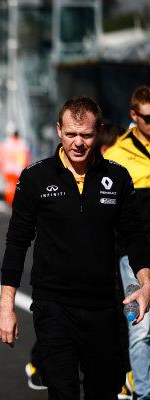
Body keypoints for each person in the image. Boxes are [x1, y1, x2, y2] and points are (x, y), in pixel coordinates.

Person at [0, 96, 150, 400]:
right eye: (70, 134)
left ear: (99, 131)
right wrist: (6, 307)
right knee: (63, 391)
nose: (78, 143)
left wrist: (145, 285)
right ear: (58, 130)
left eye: (86, 135)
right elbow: (16, 243)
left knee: (103, 390)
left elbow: (134, 237)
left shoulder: (116, 177)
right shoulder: (35, 178)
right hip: (53, 305)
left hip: (104, 307)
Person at [104, 86, 150, 400]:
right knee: (140, 327)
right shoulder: (117, 156)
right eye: (148, 118)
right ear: (134, 116)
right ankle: (143, 393)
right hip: (133, 257)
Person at [0, 131, 30, 206]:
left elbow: (1, 157)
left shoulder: (6, 143)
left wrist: (1, 167)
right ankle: (16, 202)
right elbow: (27, 159)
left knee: (9, 187)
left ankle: (9, 202)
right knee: (18, 187)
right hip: (19, 170)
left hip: (8, 169)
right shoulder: (23, 144)